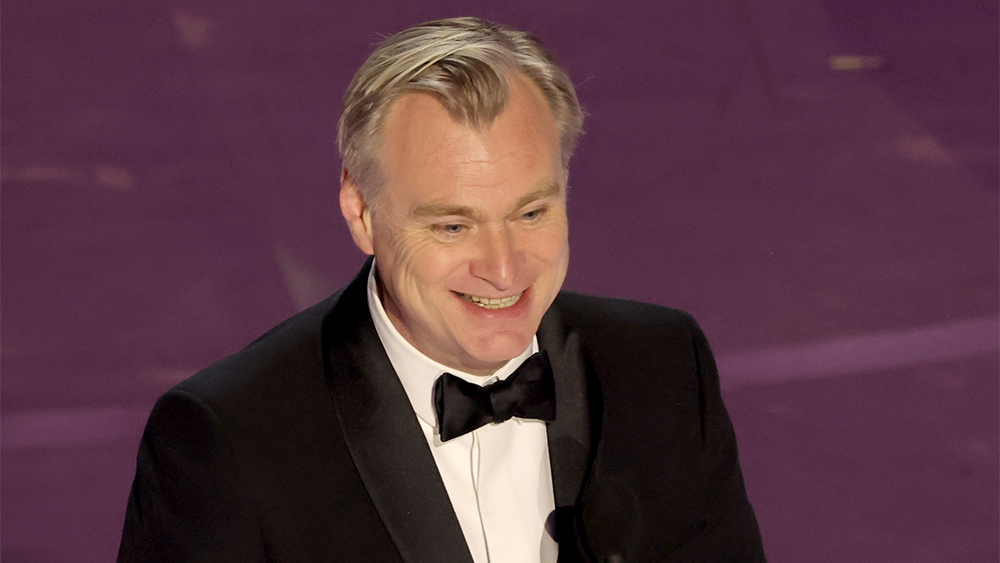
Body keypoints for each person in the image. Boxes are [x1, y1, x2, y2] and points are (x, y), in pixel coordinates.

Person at [118, 17, 766, 563]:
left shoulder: (661, 365)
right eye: (454, 225)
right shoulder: (227, 438)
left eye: (531, 213)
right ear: (361, 209)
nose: (505, 269)